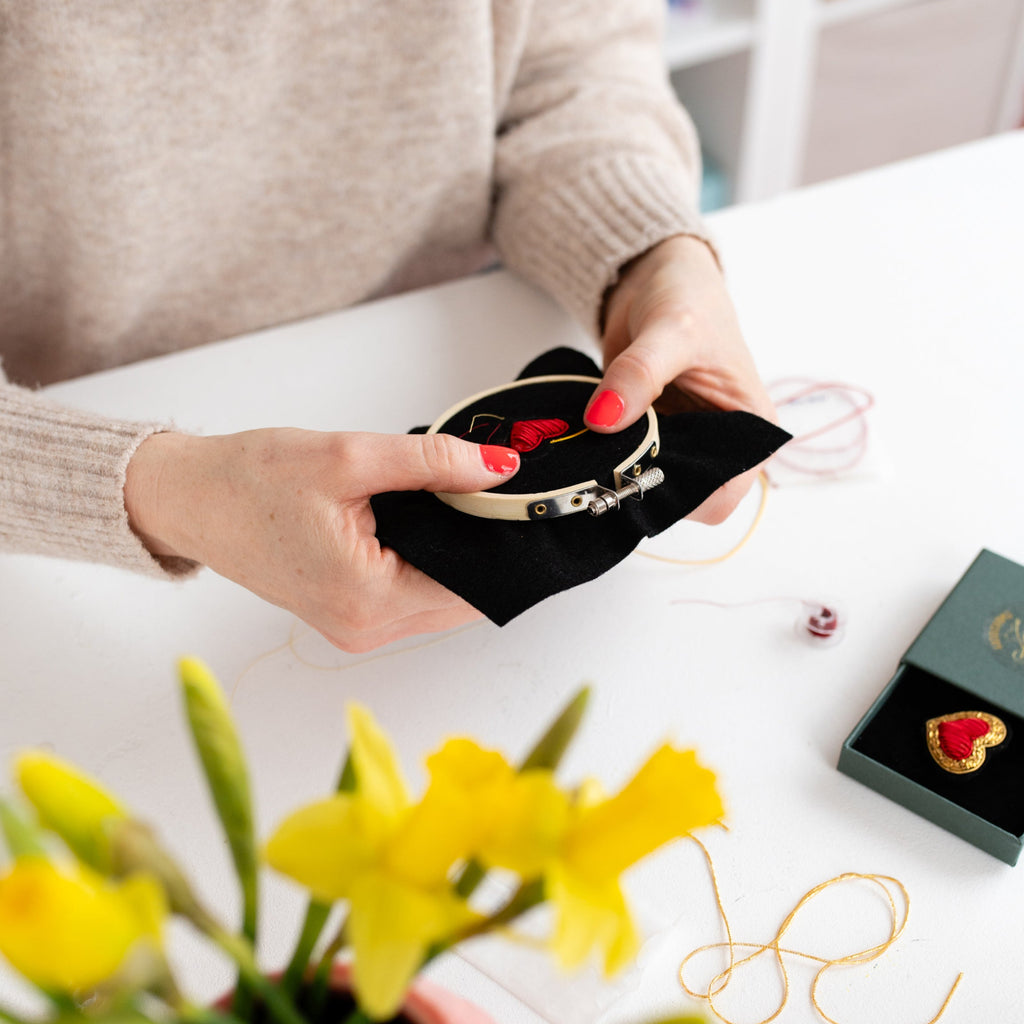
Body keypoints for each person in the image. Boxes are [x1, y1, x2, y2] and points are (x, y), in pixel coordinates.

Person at [0, 1, 776, 652]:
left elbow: (569, 65)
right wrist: (148, 491)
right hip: (69, 572)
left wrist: (650, 255)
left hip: (453, 344)